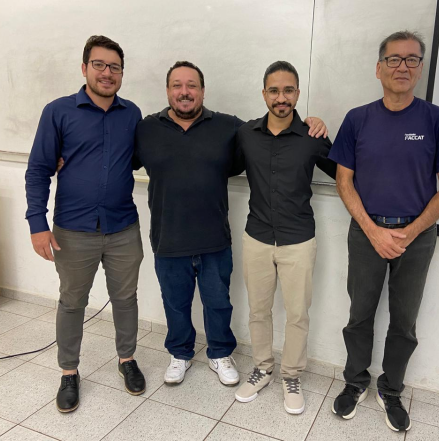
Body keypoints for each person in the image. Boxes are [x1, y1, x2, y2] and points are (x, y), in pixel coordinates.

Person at [133, 61, 327, 387]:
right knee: (175, 304)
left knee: (219, 303)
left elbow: (275, 136)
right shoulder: (146, 129)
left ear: (203, 91)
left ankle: (220, 353)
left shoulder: (228, 127)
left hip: (215, 239)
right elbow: (118, 160)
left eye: (192, 85)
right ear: (167, 91)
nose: (185, 92)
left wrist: (313, 121)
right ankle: (180, 354)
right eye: (177, 85)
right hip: (168, 237)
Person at [329, 31, 439, 431]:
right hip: (366, 233)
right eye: (394, 59)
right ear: (379, 68)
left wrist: (410, 232)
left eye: (411, 59)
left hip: (417, 238)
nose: (402, 67)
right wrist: (373, 231)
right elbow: (343, 181)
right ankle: (355, 382)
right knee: (359, 314)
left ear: (421, 68)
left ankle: (391, 389)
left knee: (404, 320)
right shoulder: (357, 119)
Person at [25, 35, 146, 413]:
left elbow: (138, 159)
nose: (107, 73)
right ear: (84, 68)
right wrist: (37, 223)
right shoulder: (58, 112)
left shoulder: (132, 114)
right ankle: (68, 371)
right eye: (99, 65)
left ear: (122, 73)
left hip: (123, 227)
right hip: (73, 230)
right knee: (72, 301)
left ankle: (127, 359)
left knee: (125, 298)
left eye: (115, 67)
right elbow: (38, 170)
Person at [233, 61, 336, 414]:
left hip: (298, 241)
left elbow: (344, 172)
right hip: (257, 237)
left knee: (297, 314)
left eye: (288, 90)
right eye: (274, 91)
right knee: (258, 310)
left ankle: (291, 375)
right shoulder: (246, 134)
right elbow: (222, 165)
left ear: (297, 93)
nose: (281, 98)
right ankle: (262, 368)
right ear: (264, 94)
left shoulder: (312, 136)